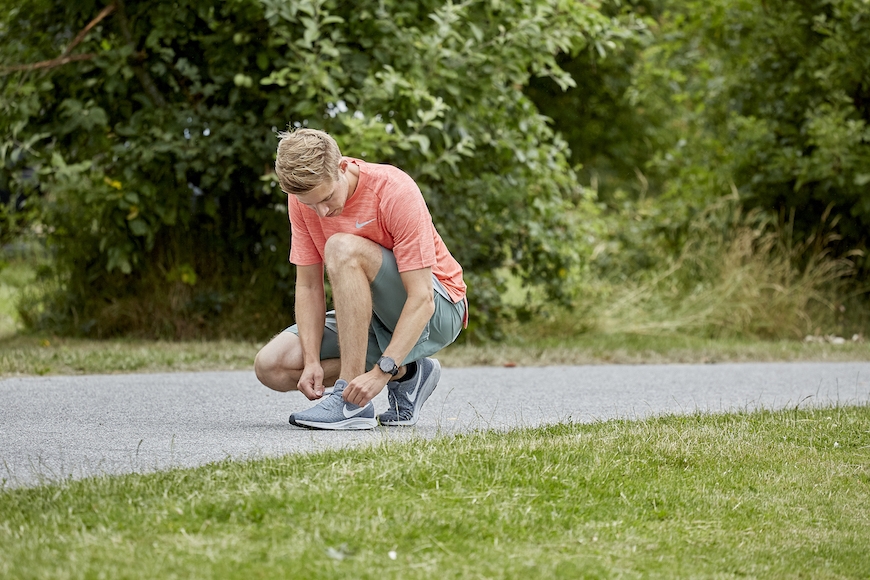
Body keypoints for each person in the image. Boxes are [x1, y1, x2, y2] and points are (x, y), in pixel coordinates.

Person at [254, 128, 467, 430]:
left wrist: (381, 373)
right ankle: (409, 374)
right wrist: (312, 360)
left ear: (342, 167)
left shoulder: (394, 190)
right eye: (310, 204)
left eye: (327, 198)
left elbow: (422, 299)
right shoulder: (303, 200)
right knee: (272, 366)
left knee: (342, 247)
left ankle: (351, 402)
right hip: (373, 315)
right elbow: (309, 285)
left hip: (439, 309)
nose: (322, 212)